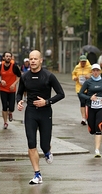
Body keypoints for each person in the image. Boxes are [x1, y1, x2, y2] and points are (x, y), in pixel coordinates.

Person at [16, 50, 65, 184]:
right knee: (31, 143)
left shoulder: (48, 76)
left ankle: (47, 151)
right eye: (31, 59)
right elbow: (19, 93)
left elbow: (61, 94)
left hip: (45, 113)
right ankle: (37, 174)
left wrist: (46, 102)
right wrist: (19, 101)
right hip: (31, 112)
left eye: (35, 59)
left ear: (40, 60)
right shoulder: (25, 77)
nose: (32, 61)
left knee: (44, 145)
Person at [78, 63, 102, 158]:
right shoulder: (88, 82)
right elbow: (80, 94)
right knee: (92, 129)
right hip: (90, 108)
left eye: (97, 70)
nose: (96, 72)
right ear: (92, 72)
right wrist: (90, 97)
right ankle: (91, 128)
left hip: (100, 107)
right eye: (94, 70)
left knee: (99, 127)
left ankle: (97, 150)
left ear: (100, 71)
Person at [0, 51, 21, 129]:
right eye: (6, 56)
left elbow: (19, 76)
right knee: (4, 106)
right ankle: (5, 122)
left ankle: (10, 113)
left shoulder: (14, 66)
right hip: (3, 89)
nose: (8, 57)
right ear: (4, 57)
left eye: (9, 56)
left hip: (12, 89)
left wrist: (14, 84)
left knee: (11, 107)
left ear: (11, 58)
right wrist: (1, 81)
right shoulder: (0, 66)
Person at [72, 54, 92, 125]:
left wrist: (89, 76)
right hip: (79, 88)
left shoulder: (90, 67)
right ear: (80, 61)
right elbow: (73, 74)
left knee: (88, 103)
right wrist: (74, 78)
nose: (83, 63)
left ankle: (88, 117)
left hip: (88, 88)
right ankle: (83, 118)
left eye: (84, 61)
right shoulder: (77, 67)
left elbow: (95, 74)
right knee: (82, 102)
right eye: (82, 62)